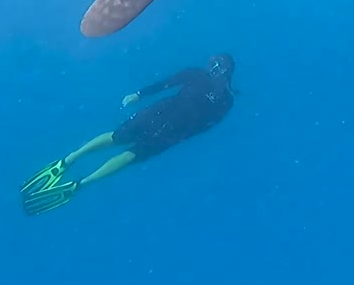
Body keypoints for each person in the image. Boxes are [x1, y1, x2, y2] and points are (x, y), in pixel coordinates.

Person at [20, 54, 237, 216]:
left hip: (161, 116)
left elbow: (167, 84)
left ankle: (71, 165)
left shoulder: (204, 80)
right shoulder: (225, 99)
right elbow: (204, 125)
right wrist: (140, 96)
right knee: (126, 149)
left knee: (120, 142)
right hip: (171, 128)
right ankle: (78, 176)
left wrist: (139, 94)